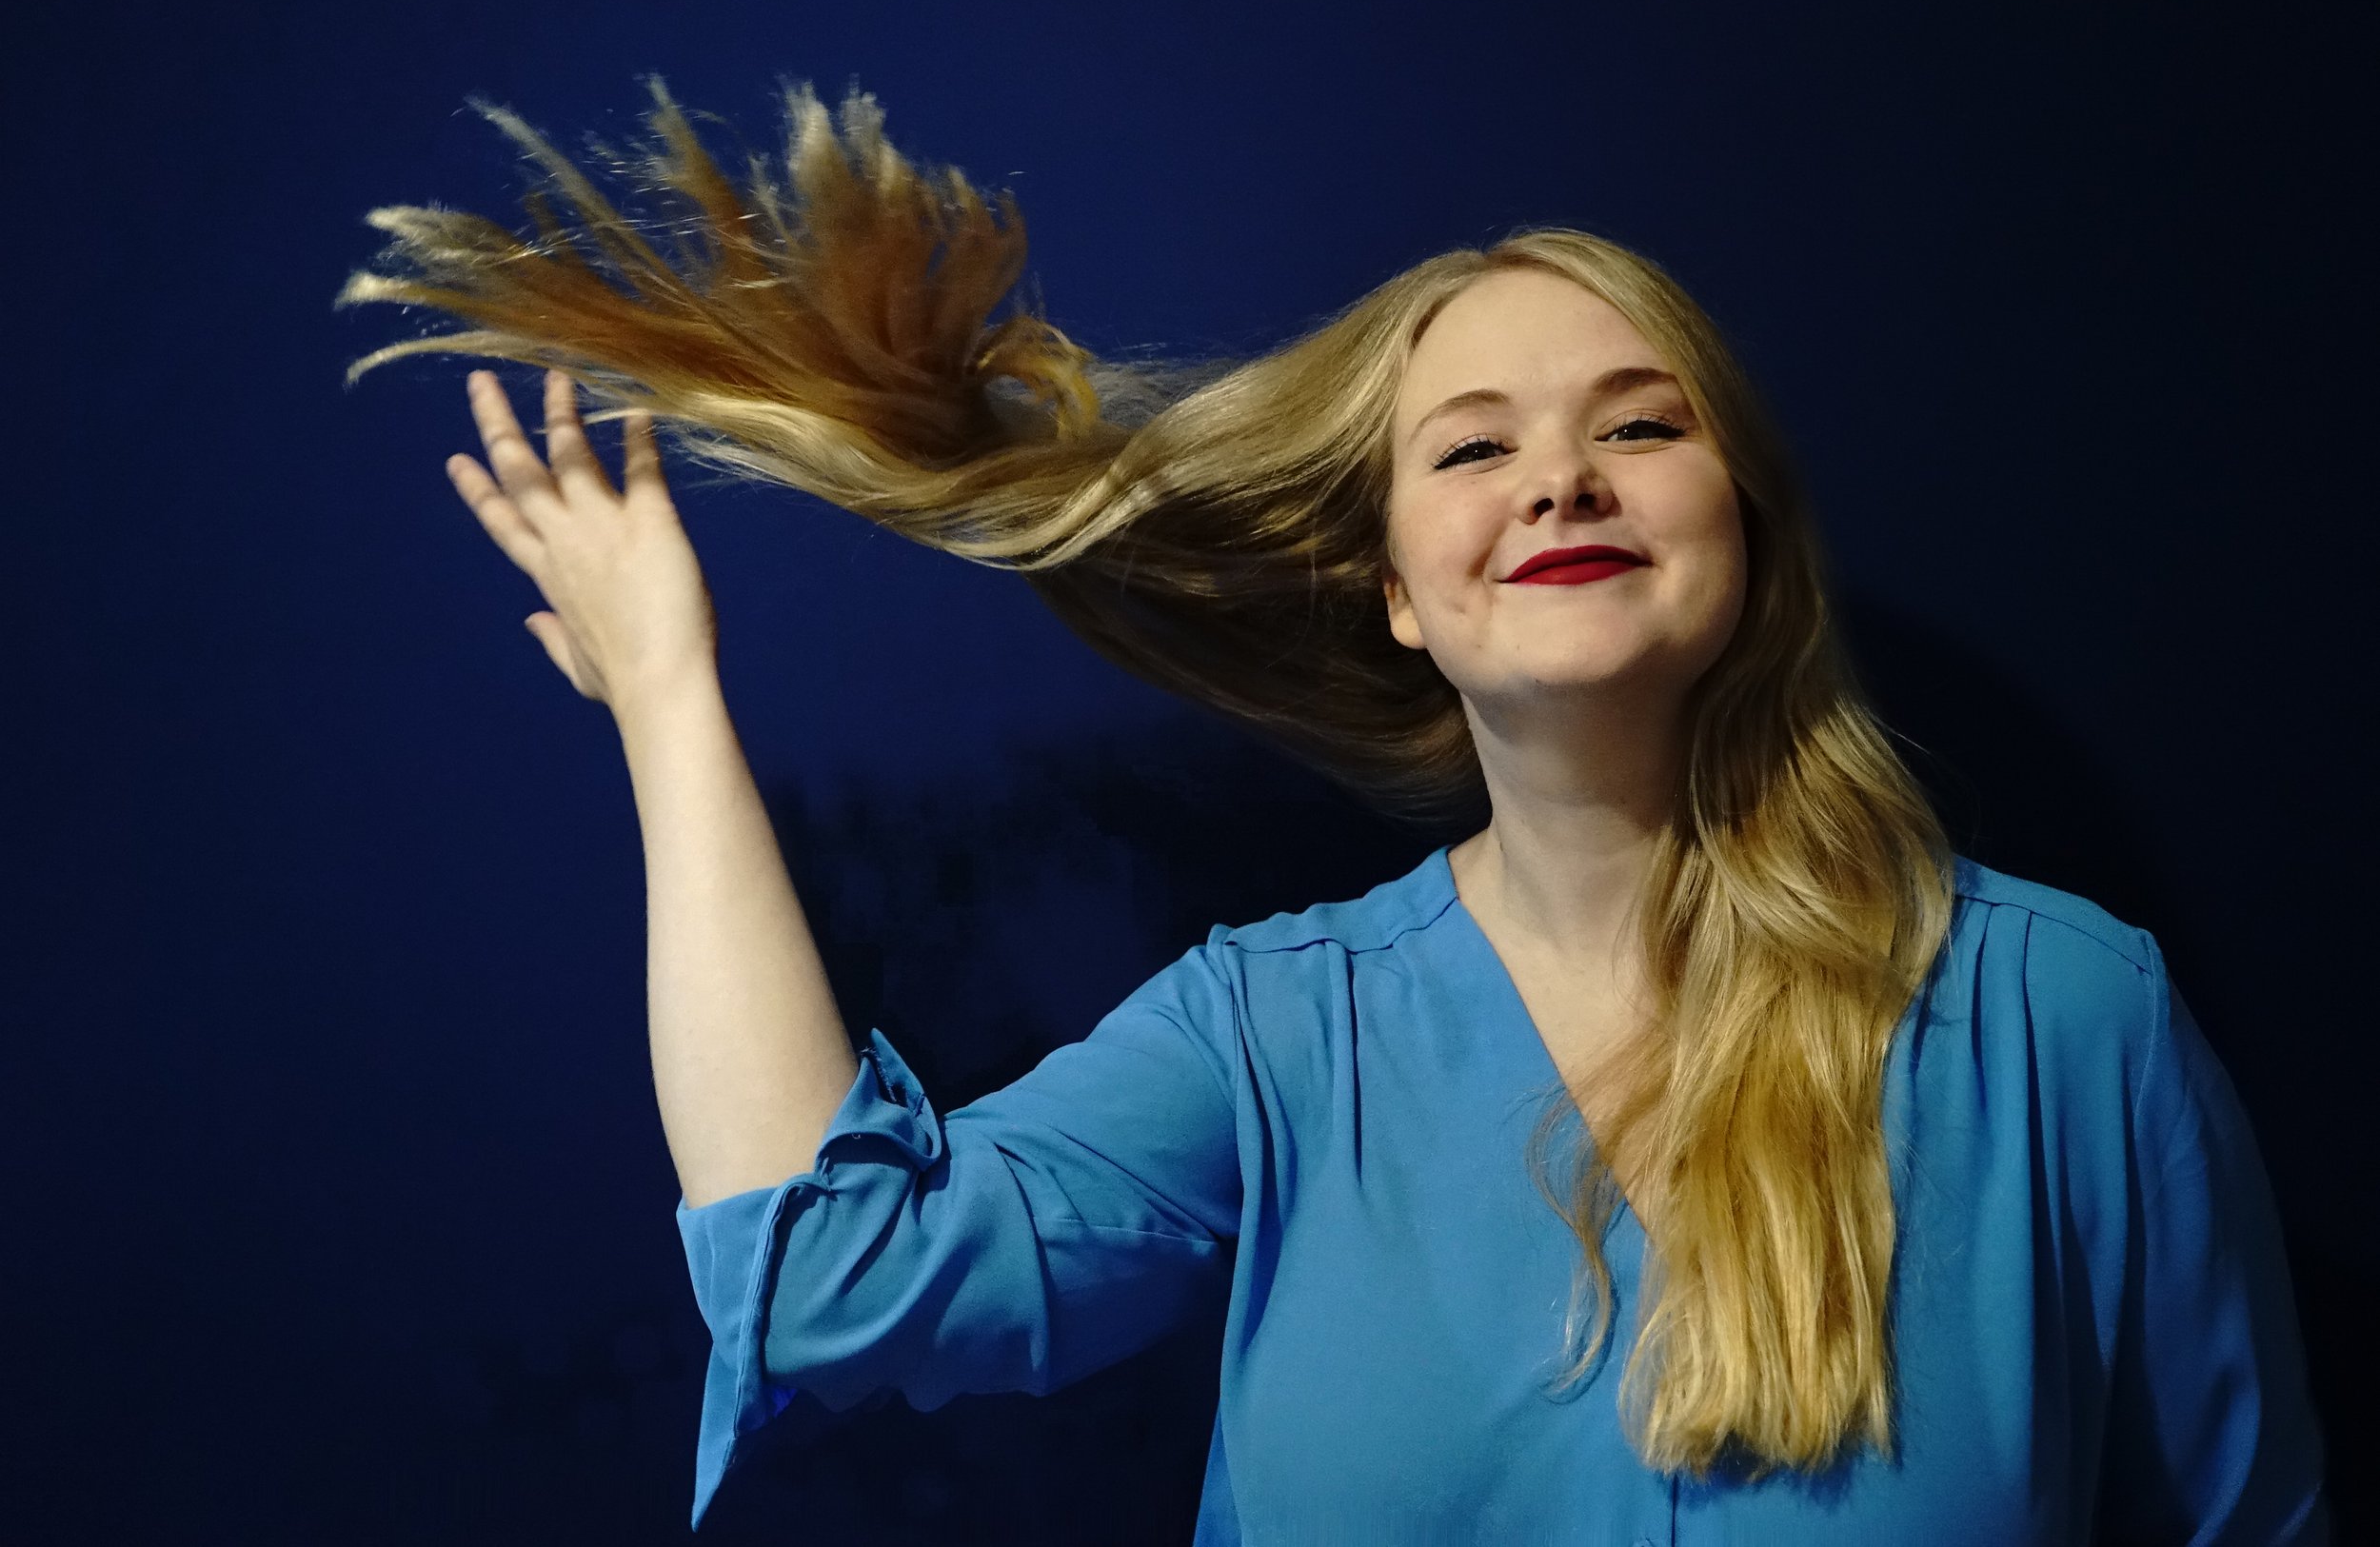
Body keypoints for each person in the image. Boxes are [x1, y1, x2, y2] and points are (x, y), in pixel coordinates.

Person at [340, 76, 2334, 1543]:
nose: (1560, 479)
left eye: (1640, 425)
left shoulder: (2068, 1024)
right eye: (1471, 450)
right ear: (1396, 592)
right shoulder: (1277, 1035)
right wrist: (669, 697)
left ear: (1749, 532)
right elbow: (828, 1278)